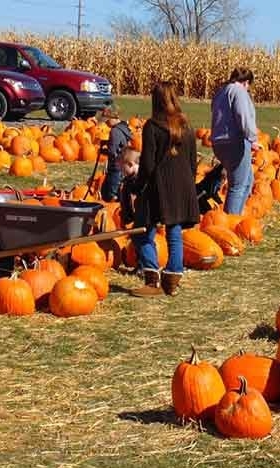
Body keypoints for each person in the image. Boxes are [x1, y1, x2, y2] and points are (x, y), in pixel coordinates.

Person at [130, 81, 200, 298]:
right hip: (184, 185)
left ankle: (152, 280)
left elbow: (148, 165)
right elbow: (192, 162)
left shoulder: (152, 126)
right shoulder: (186, 126)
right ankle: (172, 278)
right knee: (174, 232)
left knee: (142, 232)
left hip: (159, 185)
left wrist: (137, 186)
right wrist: (188, 183)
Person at [210, 67, 260, 215]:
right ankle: (231, 221)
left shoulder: (220, 92)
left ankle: (236, 217)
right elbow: (243, 117)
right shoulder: (239, 92)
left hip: (219, 142)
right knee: (237, 186)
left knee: (247, 181)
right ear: (246, 82)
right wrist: (253, 139)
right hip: (234, 141)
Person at [99, 107, 135, 202]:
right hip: (123, 167)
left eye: (107, 121)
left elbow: (112, 151)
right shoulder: (124, 128)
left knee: (109, 195)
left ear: (112, 118)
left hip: (115, 168)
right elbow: (121, 143)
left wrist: (102, 151)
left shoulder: (114, 131)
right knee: (120, 193)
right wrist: (107, 142)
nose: (106, 124)